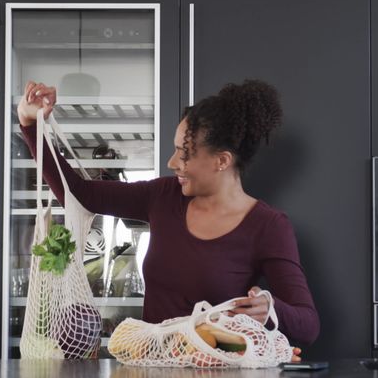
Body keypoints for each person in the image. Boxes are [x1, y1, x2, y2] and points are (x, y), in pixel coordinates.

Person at [18, 78, 318, 361]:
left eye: (184, 154)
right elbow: (80, 193)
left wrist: (269, 309)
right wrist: (31, 124)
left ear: (221, 161)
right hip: (149, 375)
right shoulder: (163, 195)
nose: (172, 163)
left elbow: (308, 325)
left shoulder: (268, 225)